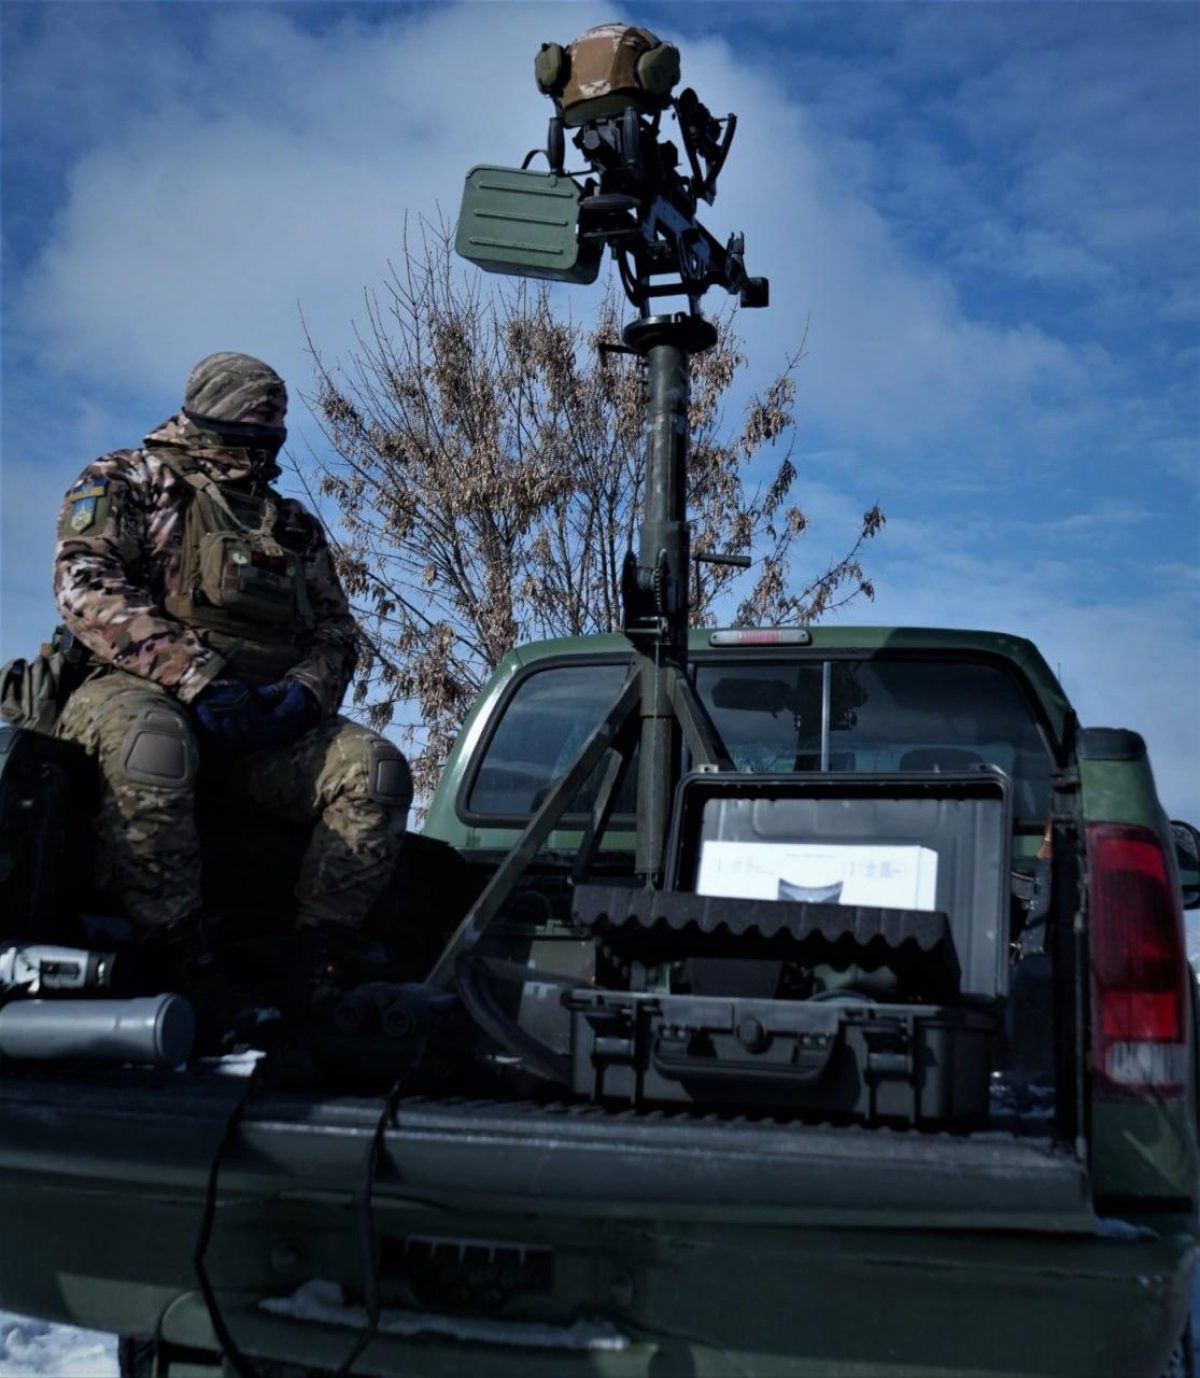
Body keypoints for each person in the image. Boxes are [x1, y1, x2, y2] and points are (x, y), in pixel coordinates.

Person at [52, 351, 412, 998]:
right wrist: (198, 677)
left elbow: (336, 629)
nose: (268, 432)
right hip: (136, 692)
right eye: (255, 418)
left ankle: (316, 962)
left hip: (263, 722)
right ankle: (175, 953)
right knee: (154, 746)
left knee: (375, 769)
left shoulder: (292, 526)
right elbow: (86, 586)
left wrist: (304, 694)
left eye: (274, 422)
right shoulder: (130, 479)